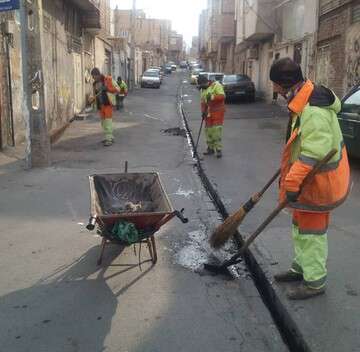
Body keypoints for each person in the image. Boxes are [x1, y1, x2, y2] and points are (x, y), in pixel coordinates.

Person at [269, 58, 350, 300]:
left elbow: (313, 153)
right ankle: (300, 267)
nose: (273, 88)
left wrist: (291, 183)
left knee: (312, 234)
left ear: (284, 84)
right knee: (300, 228)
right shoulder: (303, 98)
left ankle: (314, 283)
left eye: (274, 84)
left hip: (318, 185)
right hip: (307, 182)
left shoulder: (313, 110)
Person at [197, 75, 226, 158]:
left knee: (216, 131)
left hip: (217, 112)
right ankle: (210, 148)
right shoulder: (203, 90)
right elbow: (203, 102)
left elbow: (222, 96)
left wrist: (212, 97)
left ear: (206, 82)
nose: (202, 87)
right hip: (208, 113)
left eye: (202, 85)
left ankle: (218, 150)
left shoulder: (216, 85)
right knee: (208, 131)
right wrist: (203, 112)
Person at [90, 68, 120, 146]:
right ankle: (109, 137)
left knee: (108, 122)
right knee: (103, 123)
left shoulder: (108, 80)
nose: (93, 78)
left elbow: (118, 89)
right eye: (93, 77)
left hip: (107, 104)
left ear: (98, 75)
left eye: (94, 76)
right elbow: (95, 95)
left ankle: (109, 139)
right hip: (100, 106)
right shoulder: (95, 84)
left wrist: (108, 89)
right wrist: (92, 99)